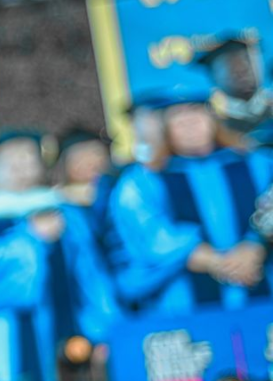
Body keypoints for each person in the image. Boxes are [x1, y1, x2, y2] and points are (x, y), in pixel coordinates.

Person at [0, 132, 119, 381]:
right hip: (2, 331)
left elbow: (90, 277)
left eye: (29, 156)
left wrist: (104, 330)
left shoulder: (65, 213)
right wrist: (29, 237)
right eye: (10, 159)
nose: (22, 164)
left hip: (66, 331)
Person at [109, 85, 273, 314]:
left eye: (196, 112)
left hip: (263, 290)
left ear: (212, 118)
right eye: (178, 118)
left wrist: (255, 246)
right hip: (185, 307)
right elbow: (148, 235)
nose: (190, 123)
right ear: (164, 129)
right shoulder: (142, 181)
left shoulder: (259, 163)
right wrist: (215, 262)